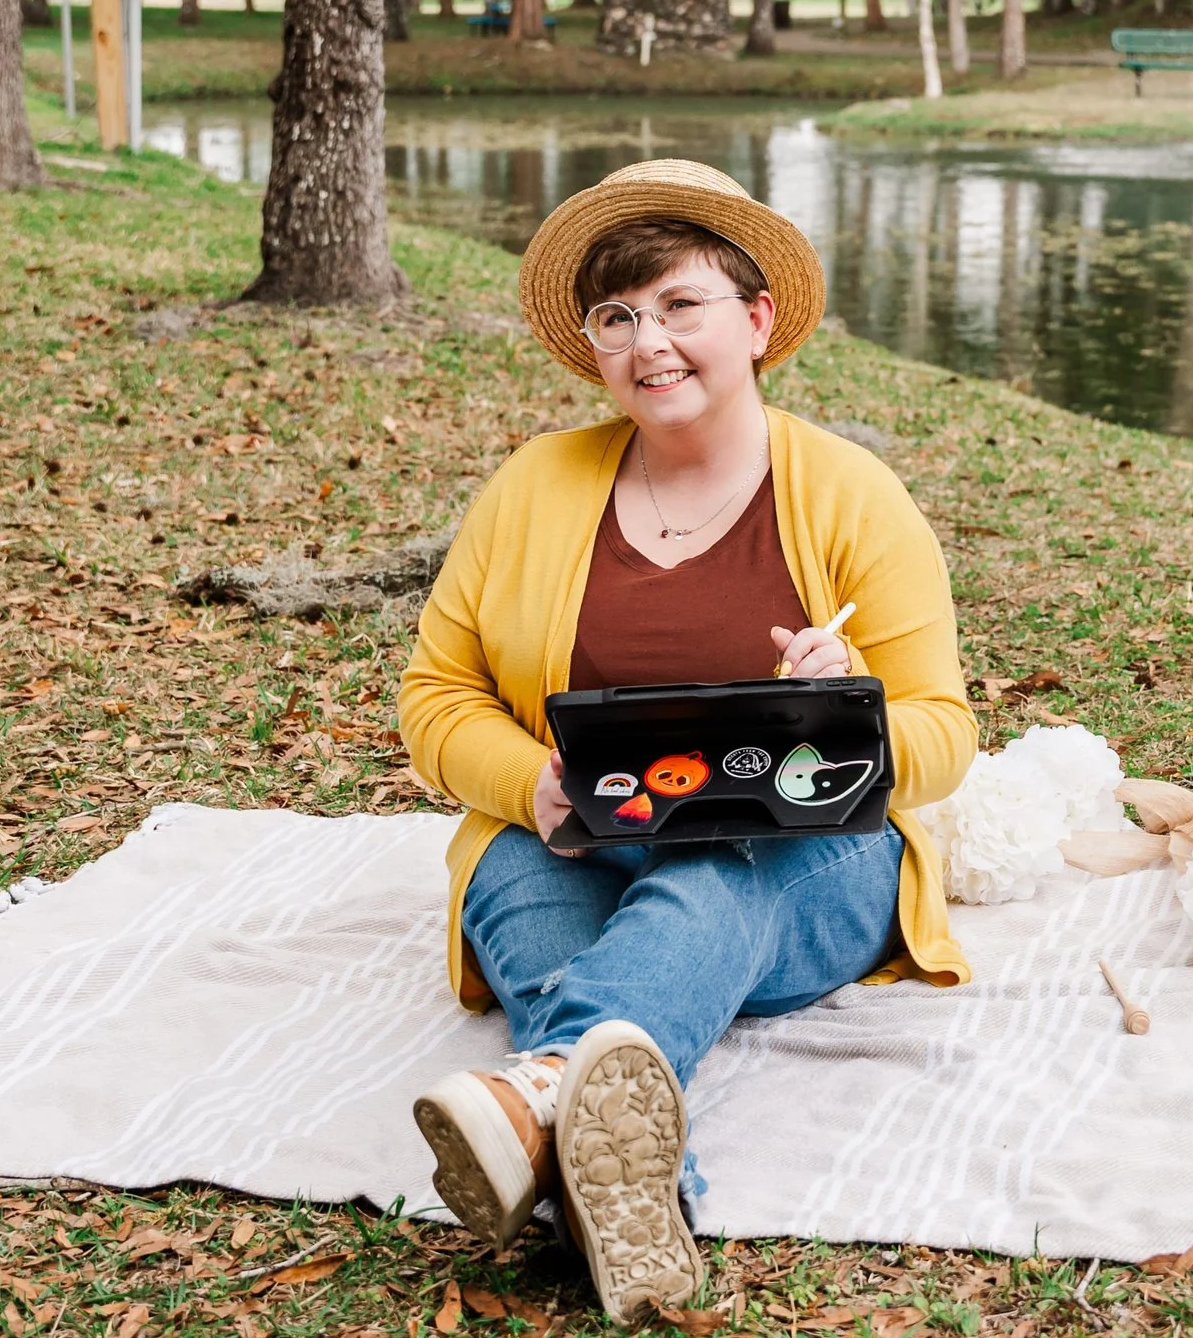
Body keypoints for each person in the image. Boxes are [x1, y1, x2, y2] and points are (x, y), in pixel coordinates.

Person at [397, 159, 975, 1321]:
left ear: (756, 319)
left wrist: (849, 706)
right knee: (524, 883)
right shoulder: (531, 486)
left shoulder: (852, 495)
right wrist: (532, 782)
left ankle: (531, 1093)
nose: (647, 342)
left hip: (800, 860)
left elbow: (945, 730)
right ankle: (623, 1171)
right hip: (573, 839)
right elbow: (435, 694)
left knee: (716, 858)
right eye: (617, 316)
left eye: (681, 305)